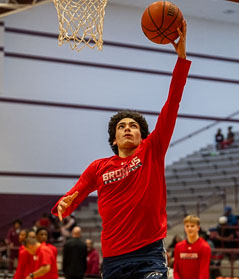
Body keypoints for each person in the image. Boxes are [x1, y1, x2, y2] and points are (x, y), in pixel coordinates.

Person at [51, 20, 191, 279]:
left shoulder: (152, 150)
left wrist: (181, 59)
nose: (128, 128)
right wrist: (65, 203)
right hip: (113, 257)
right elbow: (71, 198)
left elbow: (172, 102)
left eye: (134, 126)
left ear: (142, 135)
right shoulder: (98, 167)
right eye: (122, 126)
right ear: (114, 139)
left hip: (149, 253)